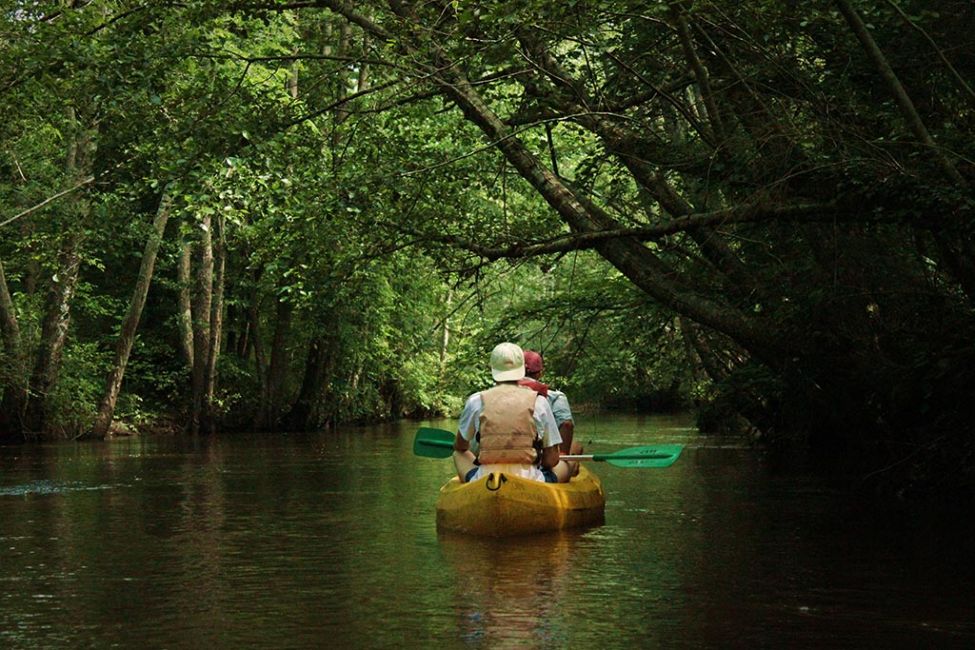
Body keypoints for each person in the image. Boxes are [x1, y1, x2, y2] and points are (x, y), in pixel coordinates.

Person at [452, 342, 577, 484]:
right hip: (532, 481)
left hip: (487, 480)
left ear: (491, 369)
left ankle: (478, 484)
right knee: (568, 463)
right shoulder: (539, 402)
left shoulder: (476, 400)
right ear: (521, 370)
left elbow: (460, 446)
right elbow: (551, 459)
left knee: (458, 454)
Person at [521, 350, 581, 457]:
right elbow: (567, 425)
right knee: (576, 446)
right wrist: (562, 454)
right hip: (539, 460)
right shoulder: (555, 397)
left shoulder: (496, 396)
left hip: (502, 457)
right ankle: (563, 460)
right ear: (540, 373)